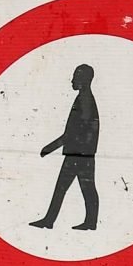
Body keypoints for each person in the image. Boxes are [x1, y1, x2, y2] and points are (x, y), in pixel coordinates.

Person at [31, 63, 101, 230]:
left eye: (76, 77)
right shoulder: (85, 98)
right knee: (86, 188)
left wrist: (49, 148)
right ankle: (89, 222)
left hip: (78, 155)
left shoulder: (84, 100)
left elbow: (73, 133)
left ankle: (50, 221)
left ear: (84, 80)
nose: (72, 80)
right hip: (82, 154)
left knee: (67, 188)